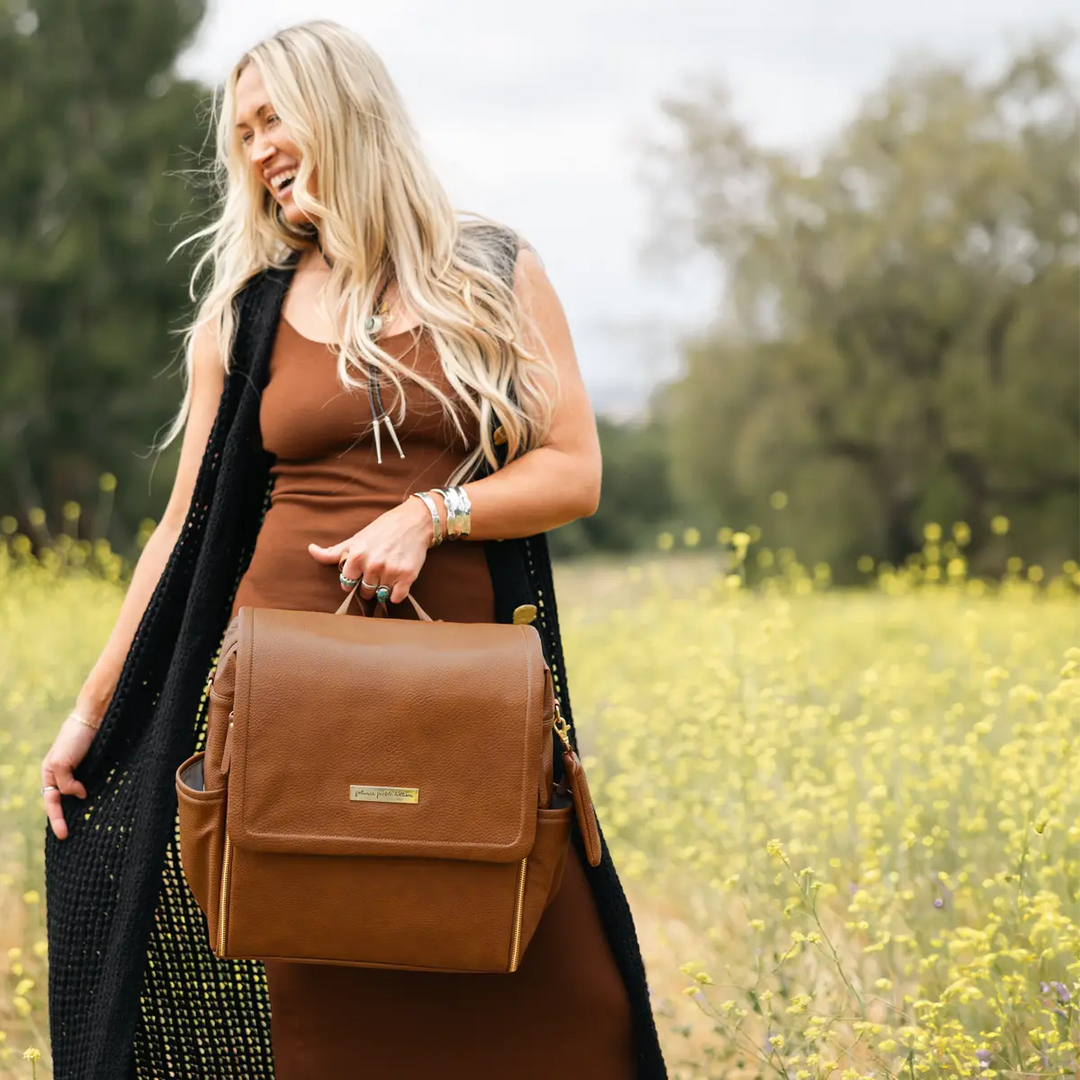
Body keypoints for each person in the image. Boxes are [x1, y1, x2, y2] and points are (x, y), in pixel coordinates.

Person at [40, 19, 667, 1079]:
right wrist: (90, 714)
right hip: (290, 702)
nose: (255, 148)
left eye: (271, 116)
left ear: (343, 108)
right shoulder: (250, 313)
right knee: (333, 1020)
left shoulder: (490, 270)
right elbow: (180, 536)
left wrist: (435, 514)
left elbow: (573, 469)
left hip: (466, 693)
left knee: (579, 1007)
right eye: (240, 132)